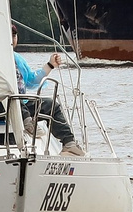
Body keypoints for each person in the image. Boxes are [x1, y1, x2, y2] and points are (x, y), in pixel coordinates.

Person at [14, 27, 84, 157]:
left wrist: (50, 65)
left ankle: (69, 144)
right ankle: (28, 123)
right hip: (1, 104)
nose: (11, 40)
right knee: (12, 97)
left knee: (51, 104)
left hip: (23, 104)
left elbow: (31, 79)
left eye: (14, 36)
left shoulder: (17, 59)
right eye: (8, 37)